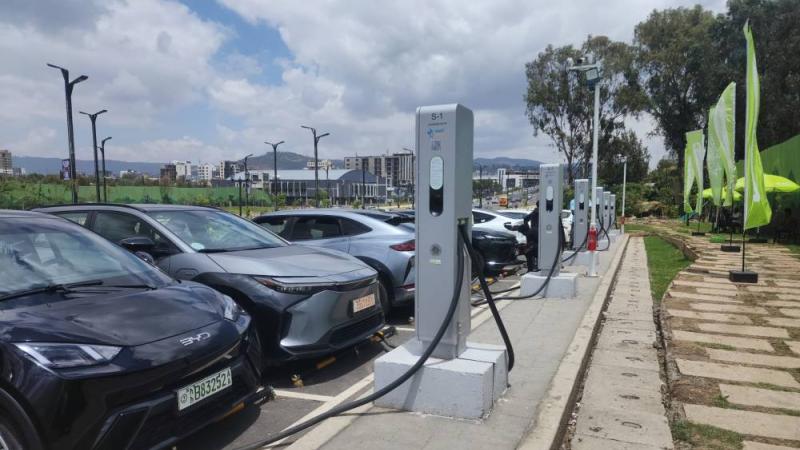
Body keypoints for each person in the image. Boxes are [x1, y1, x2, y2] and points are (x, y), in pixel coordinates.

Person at [522, 202, 539, 272]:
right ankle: (536, 266)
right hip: (538, 233)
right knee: (537, 249)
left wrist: (528, 229)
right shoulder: (541, 212)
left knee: (531, 249)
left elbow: (525, 219)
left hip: (532, 232)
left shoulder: (534, 212)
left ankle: (532, 267)